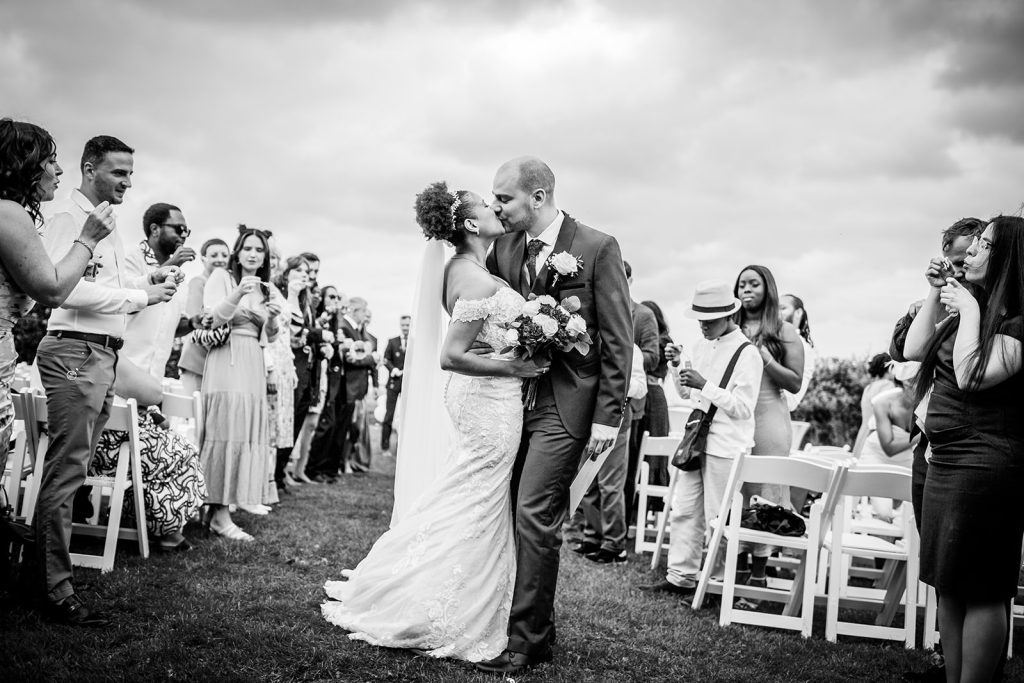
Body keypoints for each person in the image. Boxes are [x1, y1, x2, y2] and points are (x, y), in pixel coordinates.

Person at [321, 181, 548, 661]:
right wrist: (515, 366)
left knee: (469, 489)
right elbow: (451, 354)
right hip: (488, 398)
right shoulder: (475, 278)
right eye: (488, 207)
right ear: (470, 224)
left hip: (484, 398)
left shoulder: (464, 268)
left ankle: (451, 588)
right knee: (479, 493)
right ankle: (452, 603)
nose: (495, 210)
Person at [481, 156, 633, 673]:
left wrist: (608, 418)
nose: (496, 206)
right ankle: (513, 620)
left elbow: (618, 340)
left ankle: (527, 642)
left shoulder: (596, 247)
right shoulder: (503, 250)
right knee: (503, 512)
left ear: (538, 196)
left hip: (567, 405)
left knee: (534, 513)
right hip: (509, 402)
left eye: (504, 198)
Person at [34, 134, 179, 625]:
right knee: (66, 469)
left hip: (104, 356)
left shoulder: (108, 225)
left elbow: (111, 288)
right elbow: (63, 287)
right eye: (119, 172)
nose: (127, 182)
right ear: (89, 167)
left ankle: (55, 569)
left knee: (76, 471)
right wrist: (136, 300)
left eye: (131, 174)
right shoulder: (67, 220)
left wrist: (147, 286)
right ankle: (52, 586)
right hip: (74, 350)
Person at [904, 215, 1024, 683]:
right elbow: (915, 350)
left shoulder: (1016, 321)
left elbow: (974, 376)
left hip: (988, 463)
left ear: (1009, 257)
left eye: (984, 246)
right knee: (949, 586)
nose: (970, 251)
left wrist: (971, 310)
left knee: (984, 590)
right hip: (946, 460)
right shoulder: (963, 307)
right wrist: (935, 293)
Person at [0, 119, 113, 479]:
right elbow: (52, 289)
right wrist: (88, 239)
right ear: (22, 165)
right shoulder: (9, 212)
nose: (59, 169)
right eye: (49, 160)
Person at [639, 280, 762, 597]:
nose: (703, 326)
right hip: (696, 439)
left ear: (728, 316)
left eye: (709, 320)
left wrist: (704, 384)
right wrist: (676, 365)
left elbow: (744, 408)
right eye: (700, 320)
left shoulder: (748, 354)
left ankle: (718, 583)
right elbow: (686, 393)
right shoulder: (700, 346)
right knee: (684, 508)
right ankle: (680, 576)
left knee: (717, 517)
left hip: (726, 444)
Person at [198, 227, 280, 541]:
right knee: (224, 430)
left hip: (253, 362)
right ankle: (218, 513)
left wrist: (271, 320)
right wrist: (238, 293)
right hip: (226, 360)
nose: (253, 254)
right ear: (238, 251)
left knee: (244, 432)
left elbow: (270, 336)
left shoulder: (267, 289)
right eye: (248, 248)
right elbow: (211, 319)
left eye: (259, 250)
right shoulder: (222, 278)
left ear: (265, 256)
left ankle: (225, 507)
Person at [733, 264, 804, 590]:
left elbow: (794, 382)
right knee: (738, 491)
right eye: (742, 284)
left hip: (769, 418)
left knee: (765, 495)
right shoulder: (729, 326)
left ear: (767, 289)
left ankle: (760, 573)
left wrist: (766, 359)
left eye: (754, 284)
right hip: (735, 417)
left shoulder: (784, 330)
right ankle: (736, 568)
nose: (747, 289)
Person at [87, 357, 205, 552]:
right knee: (183, 453)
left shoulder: (56, 353)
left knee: (159, 451)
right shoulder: (107, 356)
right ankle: (167, 531)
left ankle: (131, 519)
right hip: (109, 454)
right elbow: (154, 393)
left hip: (73, 452)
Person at [121, 202, 199, 381]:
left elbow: (172, 327)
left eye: (187, 231)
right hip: (122, 367)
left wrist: (194, 323)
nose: (183, 235)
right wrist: (174, 264)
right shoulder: (131, 259)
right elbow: (126, 301)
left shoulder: (180, 278)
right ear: (155, 229)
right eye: (179, 229)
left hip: (155, 375)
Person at [621, 262, 660, 531]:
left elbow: (653, 356)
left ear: (630, 280)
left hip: (630, 401)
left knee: (625, 466)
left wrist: (623, 356)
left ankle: (622, 525)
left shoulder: (643, 315)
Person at [178, 238, 230, 395]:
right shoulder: (198, 282)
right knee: (196, 413)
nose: (220, 259)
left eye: (224, 255)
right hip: (197, 362)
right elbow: (193, 319)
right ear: (203, 259)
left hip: (217, 361)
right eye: (214, 255)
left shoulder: (228, 282)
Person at [304, 285, 345, 483]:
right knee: (318, 423)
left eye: (337, 297)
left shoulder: (336, 322)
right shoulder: (317, 319)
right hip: (317, 376)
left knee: (327, 421)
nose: (335, 300)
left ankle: (317, 467)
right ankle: (311, 468)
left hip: (331, 376)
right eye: (331, 296)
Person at [851, 353, 896, 456]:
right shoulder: (888, 386)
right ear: (889, 367)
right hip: (874, 438)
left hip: (862, 435)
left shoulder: (868, 388)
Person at [779, 294, 816, 413]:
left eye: (782, 308)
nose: (776, 313)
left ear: (798, 312)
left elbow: (790, 401)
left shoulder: (802, 346)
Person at [380, 315, 410, 452]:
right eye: (403, 325)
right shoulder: (392, 342)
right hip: (393, 383)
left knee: (406, 416)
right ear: (400, 325)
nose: (405, 328)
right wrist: (393, 369)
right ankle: (385, 447)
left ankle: (401, 447)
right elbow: (386, 359)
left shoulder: (415, 343)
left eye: (408, 325)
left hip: (408, 385)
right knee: (389, 416)